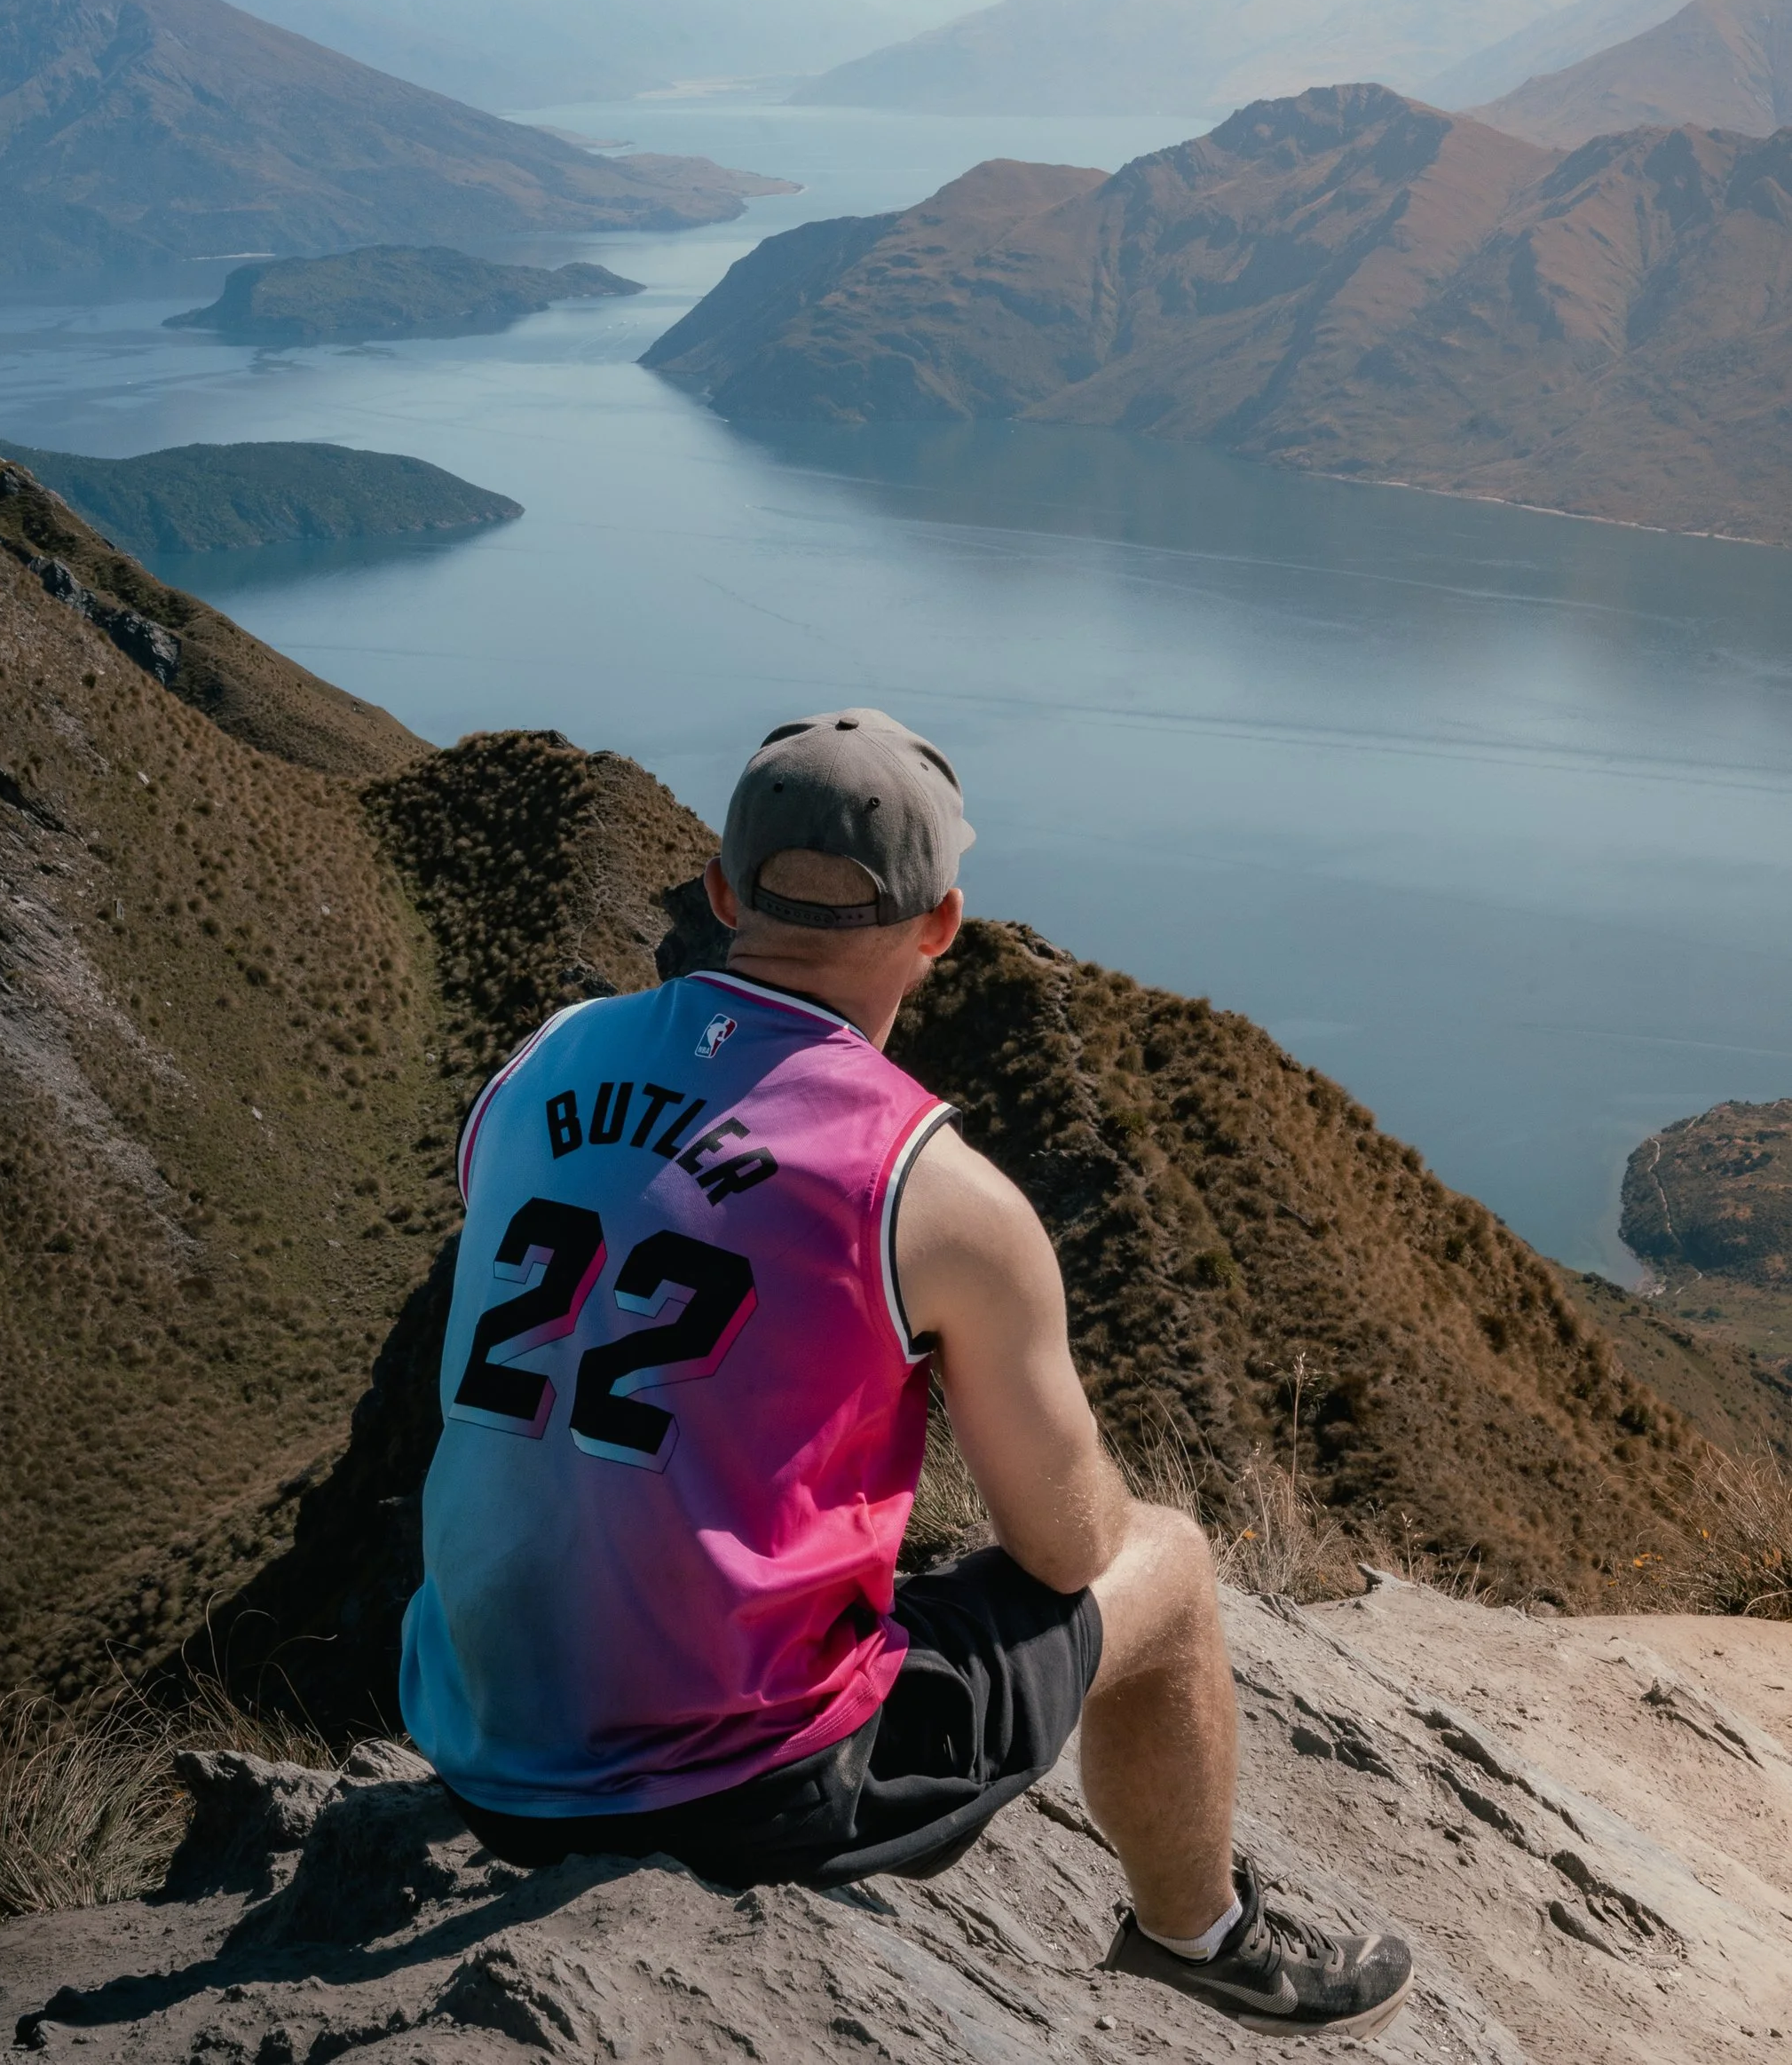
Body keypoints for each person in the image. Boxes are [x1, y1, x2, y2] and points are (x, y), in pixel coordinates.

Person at [400, 708, 1412, 2037]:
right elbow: (1064, 1553)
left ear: (720, 893)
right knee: (1164, 1565)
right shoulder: (932, 1189)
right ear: (942, 926)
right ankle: (1205, 1940)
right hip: (740, 1784)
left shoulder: (545, 1060)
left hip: (473, 1737)